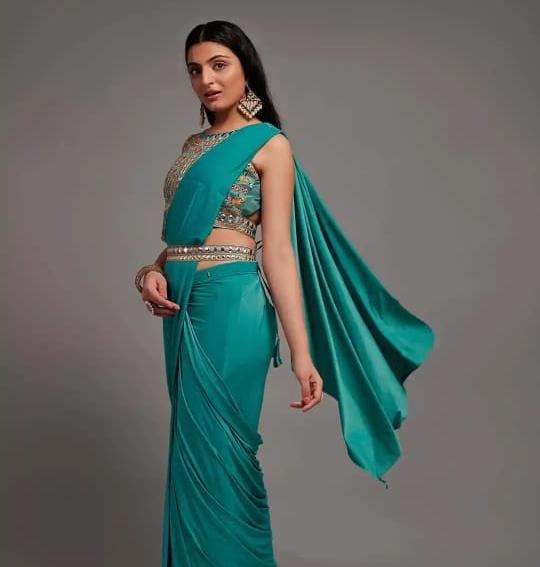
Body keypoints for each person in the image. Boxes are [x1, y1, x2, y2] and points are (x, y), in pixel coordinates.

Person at [134, 20, 436, 567]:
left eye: (219, 65)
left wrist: (302, 353)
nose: (206, 80)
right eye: (195, 70)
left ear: (245, 67)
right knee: (190, 450)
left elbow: (276, 251)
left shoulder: (270, 145)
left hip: (231, 303)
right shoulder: (192, 145)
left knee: (222, 450)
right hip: (179, 306)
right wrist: (149, 273)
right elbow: (181, 240)